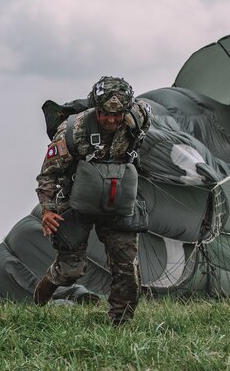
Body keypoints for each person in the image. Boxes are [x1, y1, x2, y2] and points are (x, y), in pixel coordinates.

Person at [33, 76, 153, 325]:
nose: (111, 120)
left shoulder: (137, 118)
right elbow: (48, 174)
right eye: (105, 114)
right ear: (95, 109)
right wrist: (47, 210)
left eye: (118, 115)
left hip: (117, 199)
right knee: (71, 270)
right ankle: (40, 298)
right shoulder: (72, 131)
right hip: (77, 200)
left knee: (127, 269)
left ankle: (121, 324)